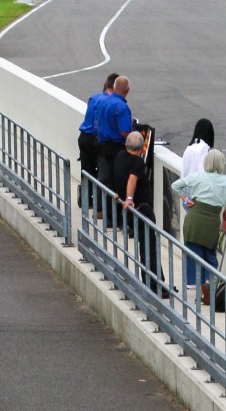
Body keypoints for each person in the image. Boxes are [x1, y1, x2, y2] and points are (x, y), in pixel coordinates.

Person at [171, 148, 226, 303]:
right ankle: (209, 285)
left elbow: (175, 185)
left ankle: (199, 289)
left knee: (194, 256)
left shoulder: (197, 176)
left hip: (193, 219)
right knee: (210, 257)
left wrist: (186, 199)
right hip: (211, 222)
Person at [114, 131, 166, 296]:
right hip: (142, 208)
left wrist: (119, 194)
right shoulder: (137, 162)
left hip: (130, 210)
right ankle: (152, 284)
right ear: (142, 147)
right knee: (149, 246)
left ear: (126, 145)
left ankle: (158, 280)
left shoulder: (120, 156)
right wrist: (129, 198)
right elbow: (132, 179)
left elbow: (121, 176)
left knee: (148, 245)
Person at [77, 72, 118, 209]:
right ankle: (100, 206)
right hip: (97, 140)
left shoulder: (94, 98)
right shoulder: (109, 103)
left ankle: (85, 199)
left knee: (86, 170)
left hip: (84, 138)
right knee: (103, 172)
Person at [96, 76, 132, 198]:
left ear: (114, 87)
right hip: (116, 149)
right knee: (117, 181)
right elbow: (125, 132)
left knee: (104, 178)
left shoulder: (102, 101)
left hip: (101, 146)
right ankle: (114, 207)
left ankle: (103, 205)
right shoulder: (121, 106)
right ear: (127, 89)